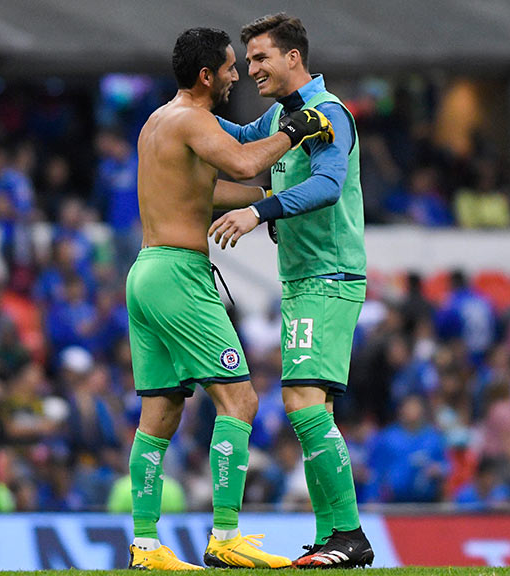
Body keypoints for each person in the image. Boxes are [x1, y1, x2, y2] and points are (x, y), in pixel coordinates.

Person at [125, 27, 334, 571]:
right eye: (229, 68)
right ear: (205, 76)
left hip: (146, 272)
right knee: (239, 402)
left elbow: (207, 189)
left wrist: (267, 201)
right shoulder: (195, 118)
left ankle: (145, 547)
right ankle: (225, 535)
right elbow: (243, 163)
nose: (236, 75)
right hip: (179, 273)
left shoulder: (157, 122)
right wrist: (298, 127)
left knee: (160, 411)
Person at [208, 13, 374, 568]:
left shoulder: (328, 115)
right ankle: (333, 540)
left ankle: (350, 535)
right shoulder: (283, 116)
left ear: (292, 58)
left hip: (328, 276)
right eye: (247, 60)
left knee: (302, 404)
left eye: (260, 58)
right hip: (304, 279)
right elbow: (237, 140)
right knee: (312, 408)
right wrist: (186, 113)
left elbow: (327, 185)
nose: (252, 68)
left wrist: (259, 210)